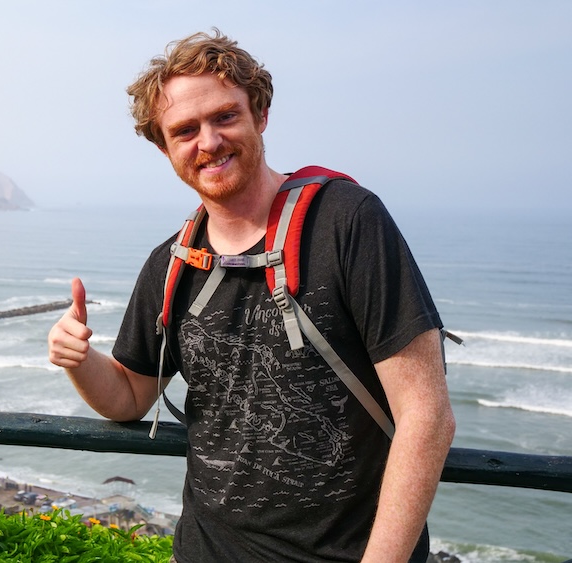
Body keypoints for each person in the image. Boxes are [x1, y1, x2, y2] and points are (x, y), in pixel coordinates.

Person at [48, 29, 455, 563]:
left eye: (225, 117)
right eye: (185, 130)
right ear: (164, 147)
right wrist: (78, 359)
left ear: (259, 114)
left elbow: (426, 414)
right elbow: (128, 396)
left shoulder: (347, 222)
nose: (209, 142)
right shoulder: (171, 261)